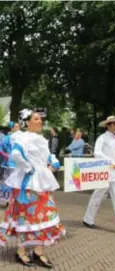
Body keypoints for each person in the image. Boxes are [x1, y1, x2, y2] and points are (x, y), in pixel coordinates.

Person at [0, 109, 65, 268]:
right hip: (28, 183)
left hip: (41, 182)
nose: (40, 121)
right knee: (26, 217)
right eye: (36, 119)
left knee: (45, 215)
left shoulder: (41, 138)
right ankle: (21, 252)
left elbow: (48, 154)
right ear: (27, 122)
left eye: (40, 119)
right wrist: (28, 168)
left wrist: (53, 160)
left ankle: (38, 251)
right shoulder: (23, 137)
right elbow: (16, 154)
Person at [83, 116, 115, 236]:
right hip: (104, 172)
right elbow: (97, 152)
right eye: (114, 124)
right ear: (108, 125)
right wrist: (109, 161)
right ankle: (88, 219)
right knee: (97, 196)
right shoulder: (102, 138)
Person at [0, 121, 20, 204]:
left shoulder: (22, 138)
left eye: (18, 126)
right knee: (8, 181)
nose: (18, 128)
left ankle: (17, 199)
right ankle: (7, 199)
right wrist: (6, 156)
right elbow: (0, 149)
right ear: (11, 128)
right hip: (8, 164)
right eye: (16, 126)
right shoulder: (6, 138)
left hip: (19, 163)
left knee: (18, 181)